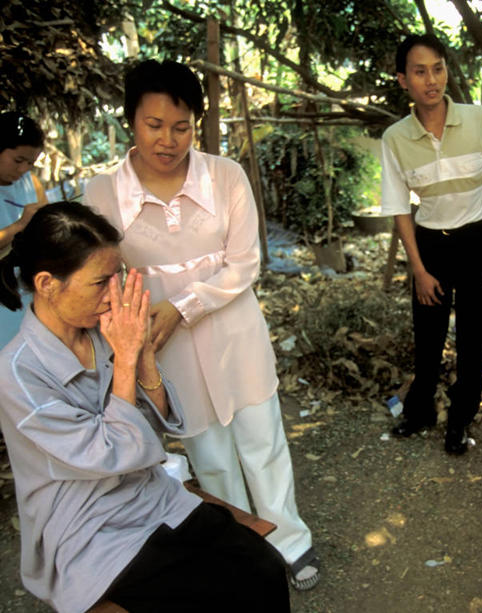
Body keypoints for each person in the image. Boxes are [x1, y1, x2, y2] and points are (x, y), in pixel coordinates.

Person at [83, 59, 319, 590]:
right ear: (131, 121)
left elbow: (245, 263)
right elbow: (101, 273)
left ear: (197, 124)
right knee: (208, 456)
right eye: (154, 125)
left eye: (182, 126)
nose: (168, 139)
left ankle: (291, 539)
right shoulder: (101, 194)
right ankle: (242, 548)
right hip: (164, 349)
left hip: (235, 334)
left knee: (263, 442)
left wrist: (182, 305)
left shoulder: (225, 176)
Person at [0, 202, 290, 613]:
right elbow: (110, 452)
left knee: (262, 568)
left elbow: (160, 424)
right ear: (47, 283)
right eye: (100, 282)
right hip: (87, 526)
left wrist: (144, 357)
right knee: (206, 594)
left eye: (117, 278)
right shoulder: (16, 375)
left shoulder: (103, 331)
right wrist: (125, 359)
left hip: (148, 496)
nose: (113, 294)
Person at [380, 34, 482, 454]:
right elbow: (400, 209)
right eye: (420, 71)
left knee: (473, 341)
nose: (431, 79)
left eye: (437, 68)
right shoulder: (396, 139)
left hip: (477, 242)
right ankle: (418, 412)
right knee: (428, 338)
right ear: (403, 80)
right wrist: (419, 270)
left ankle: (459, 422)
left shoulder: (479, 121)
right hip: (431, 247)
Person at [0, 111, 49, 349]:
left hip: (24, 290)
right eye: (18, 160)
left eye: (31, 162)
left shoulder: (31, 182)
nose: (23, 169)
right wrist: (19, 225)